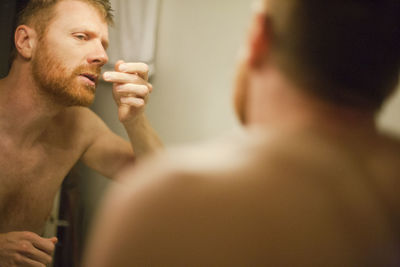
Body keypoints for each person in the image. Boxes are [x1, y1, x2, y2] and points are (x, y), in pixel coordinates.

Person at [83, 0, 400, 266]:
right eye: (81, 36)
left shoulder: (164, 204)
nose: (98, 54)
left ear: (259, 37)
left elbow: (145, 172)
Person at [0, 0, 162, 266]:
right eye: (81, 37)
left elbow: (158, 181)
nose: (102, 56)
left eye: (103, 44)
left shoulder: (78, 127)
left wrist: (135, 121)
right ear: (26, 42)